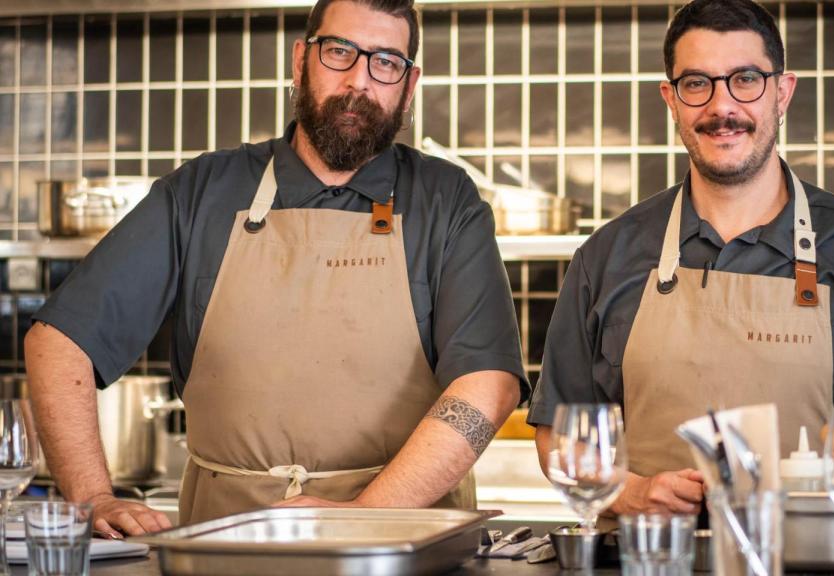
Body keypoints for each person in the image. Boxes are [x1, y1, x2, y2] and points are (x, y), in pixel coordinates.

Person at [25, 0, 527, 537]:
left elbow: (488, 384)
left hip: (402, 542)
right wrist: (94, 497)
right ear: (300, 61)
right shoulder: (201, 193)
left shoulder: (447, 201)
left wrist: (363, 516)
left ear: (409, 83)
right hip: (224, 547)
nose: (360, 80)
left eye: (386, 62)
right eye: (340, 52)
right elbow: (58, 342)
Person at [527, 0, 834, 518]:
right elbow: (559, 434)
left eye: (746, 79)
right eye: (697, 83)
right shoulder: (605, 258)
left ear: (782, 92)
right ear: (671, 98)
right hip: (650, 559)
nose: (721, 106)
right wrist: (630, 493)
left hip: (813, 559)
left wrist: (815, 499)